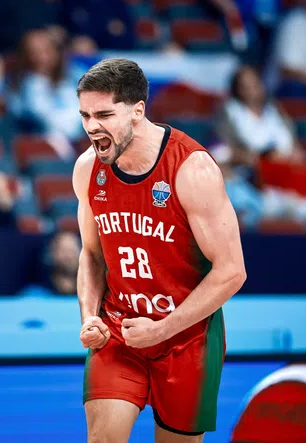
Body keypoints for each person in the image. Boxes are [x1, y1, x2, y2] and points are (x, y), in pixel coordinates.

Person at [72, 59, 246, 442]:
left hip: (186, 337)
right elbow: (92, 255)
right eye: (85, 115)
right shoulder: (87, 169)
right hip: (119, 331)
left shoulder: (192, 169)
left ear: (137, 111)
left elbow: (232, 270)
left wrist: (162, 329)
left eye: (104, 115)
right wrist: (89, 317)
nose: (92, 126)